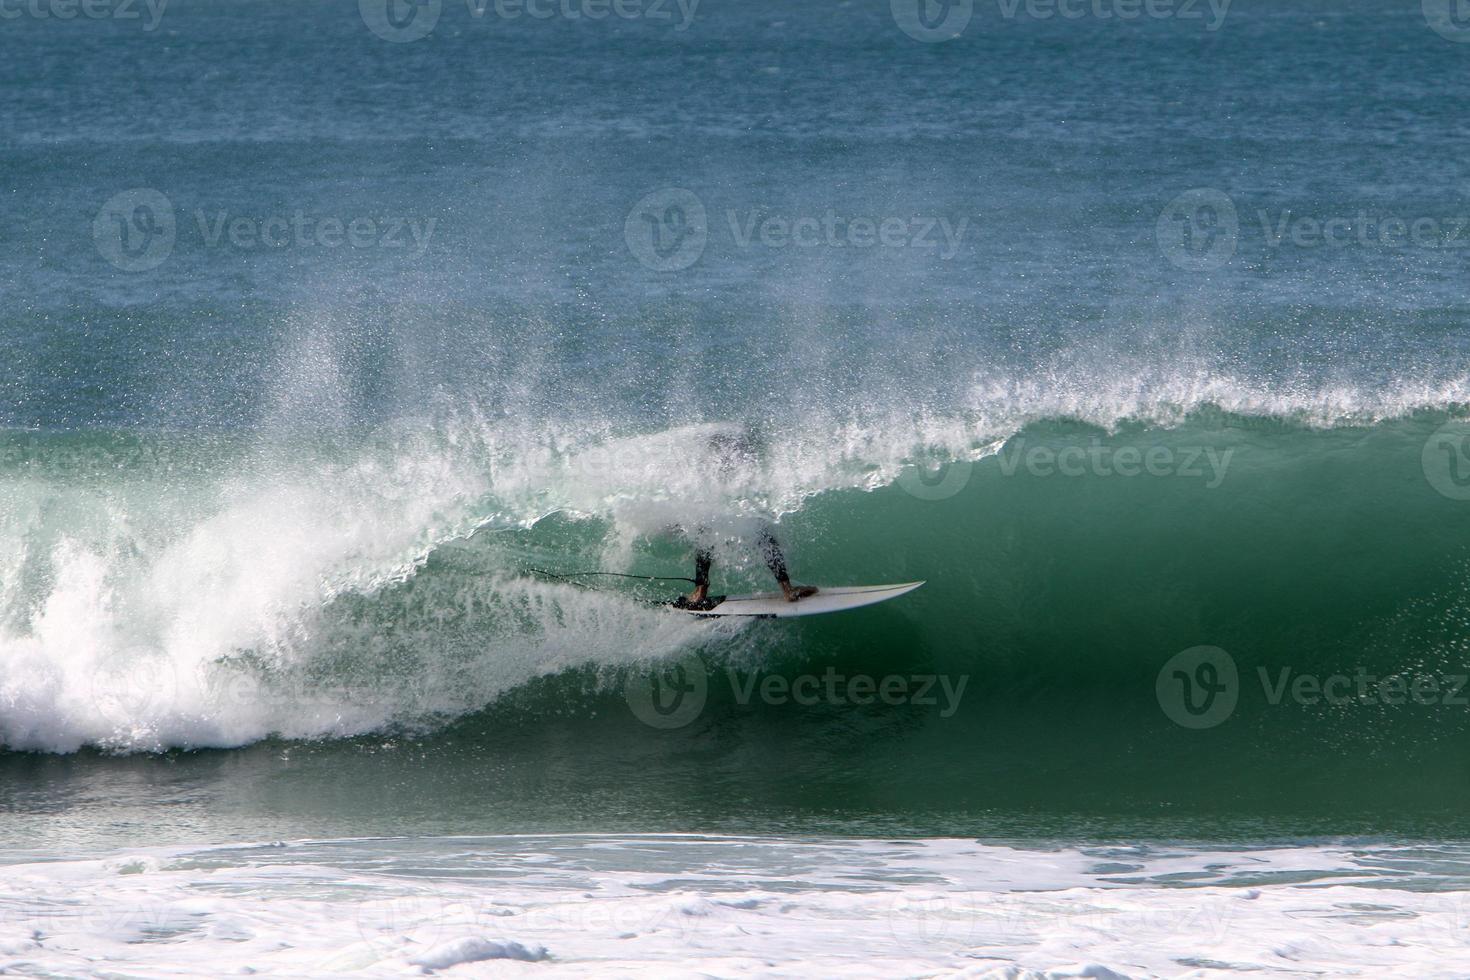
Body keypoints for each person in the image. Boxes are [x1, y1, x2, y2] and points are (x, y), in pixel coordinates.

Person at [672, 426, 818, 610]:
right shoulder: (739, 465)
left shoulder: (715, 470)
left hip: (728, 504)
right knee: (763, 536)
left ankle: (700, 591)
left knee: (706, 536)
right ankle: (787, 589)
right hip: (739, 504)